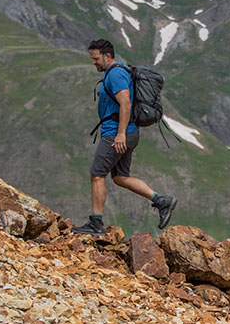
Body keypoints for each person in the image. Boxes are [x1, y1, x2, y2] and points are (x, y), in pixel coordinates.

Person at [70, 38, 177, 235]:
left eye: (95, 58)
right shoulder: (116, 72)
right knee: (120, 177)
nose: (93, 62)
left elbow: (125, 103)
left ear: (107, 56)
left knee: (97, 174)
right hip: (127, 133)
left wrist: (120, 134)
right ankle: (162, 201)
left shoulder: (116, 74)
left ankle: (96, 224)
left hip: (117, 134)